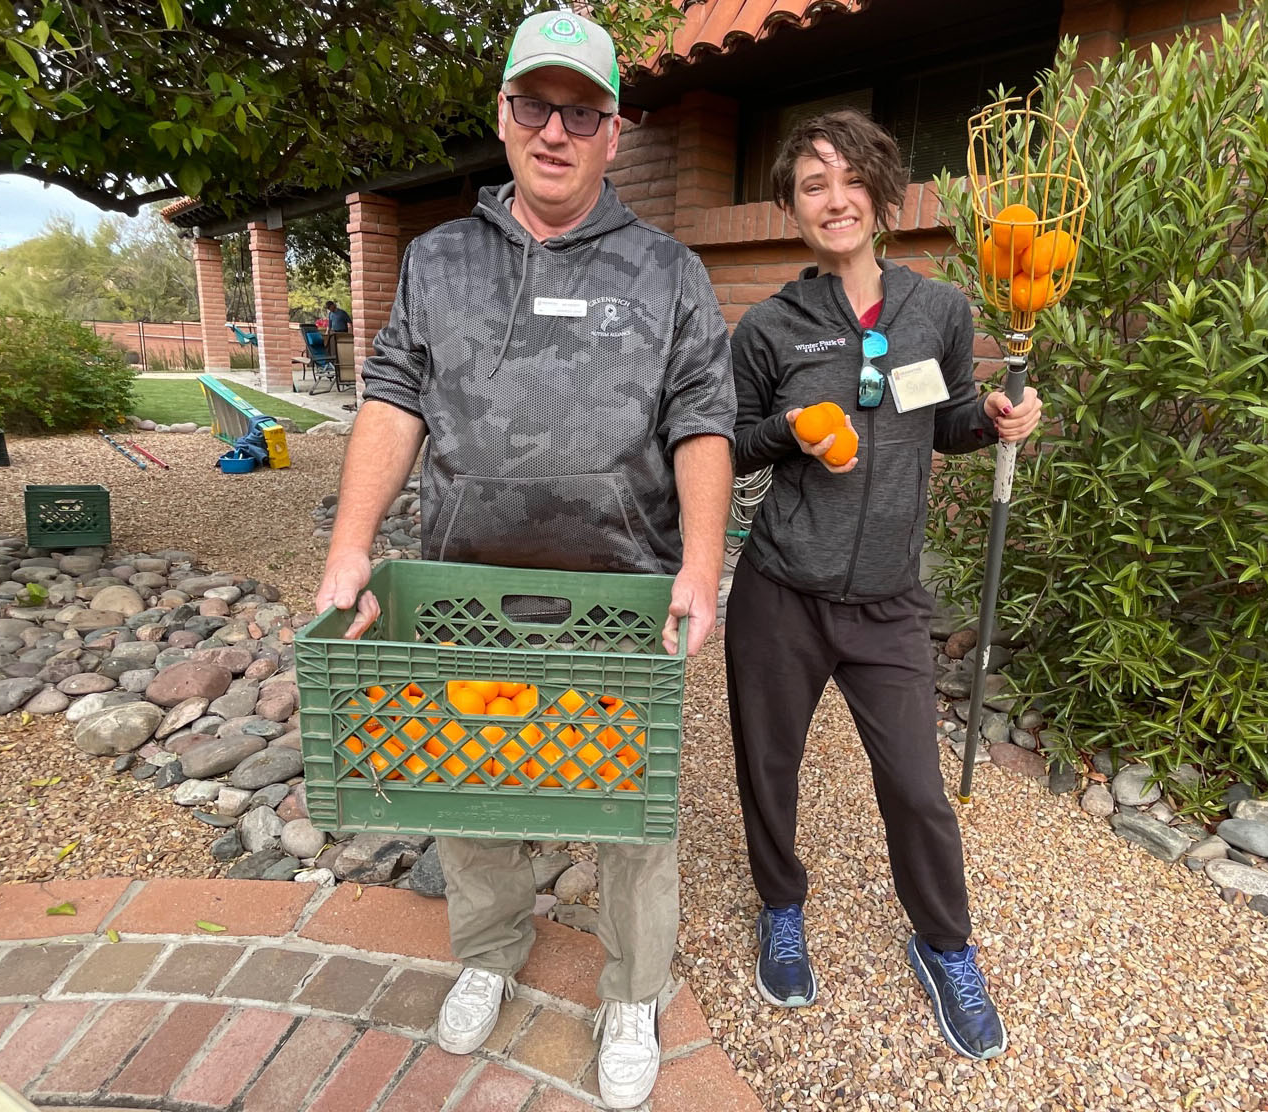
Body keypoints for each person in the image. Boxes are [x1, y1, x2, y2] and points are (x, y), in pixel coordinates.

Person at [311, 9, 733, 1109]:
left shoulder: (668, 270)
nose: (556, 130)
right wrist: (349, 550)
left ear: (611, 130)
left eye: (580, 110)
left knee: (635, 807)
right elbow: (392, 402)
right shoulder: (437, 260)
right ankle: (489, 952)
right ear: (503, 118)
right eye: (534, 105)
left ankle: (634, 987)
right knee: (475, 774)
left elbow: (702, 422)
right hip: (466, 595)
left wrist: (699, 566)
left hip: (618, 594)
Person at [723, 109, 1042, 1061]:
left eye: (848, 180)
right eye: (811, 184)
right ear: (791, 204)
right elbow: (733, 441)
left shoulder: (938, 311)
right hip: (779, 592)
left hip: (887, 600)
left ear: (881, 195)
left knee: (916, 786)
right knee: (766, 767)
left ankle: (944, 942)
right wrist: (791, 429)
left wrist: (992, 418)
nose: (833, 199)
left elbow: (940, 422)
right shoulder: (769, 326)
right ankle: (781, 906)